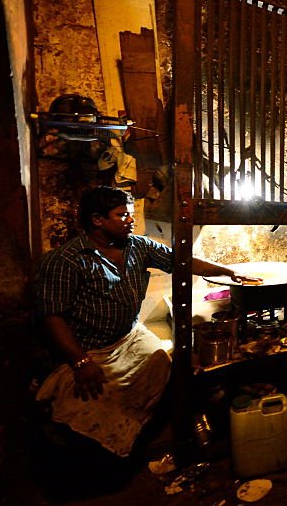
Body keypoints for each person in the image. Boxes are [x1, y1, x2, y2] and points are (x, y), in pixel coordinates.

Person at [35, 186, 256, 457]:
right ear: (97, 220)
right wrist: (81, 362)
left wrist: (229, 271)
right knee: (94, 403)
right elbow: (52, 316)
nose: (131, 220)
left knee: (164, 364)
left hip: (129, 337)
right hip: (90, 350)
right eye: (122, 215)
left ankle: (149, 434)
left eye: (130, 214)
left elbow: (181, 260)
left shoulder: (138, 247)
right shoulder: (65, 261)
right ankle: (98, 460)